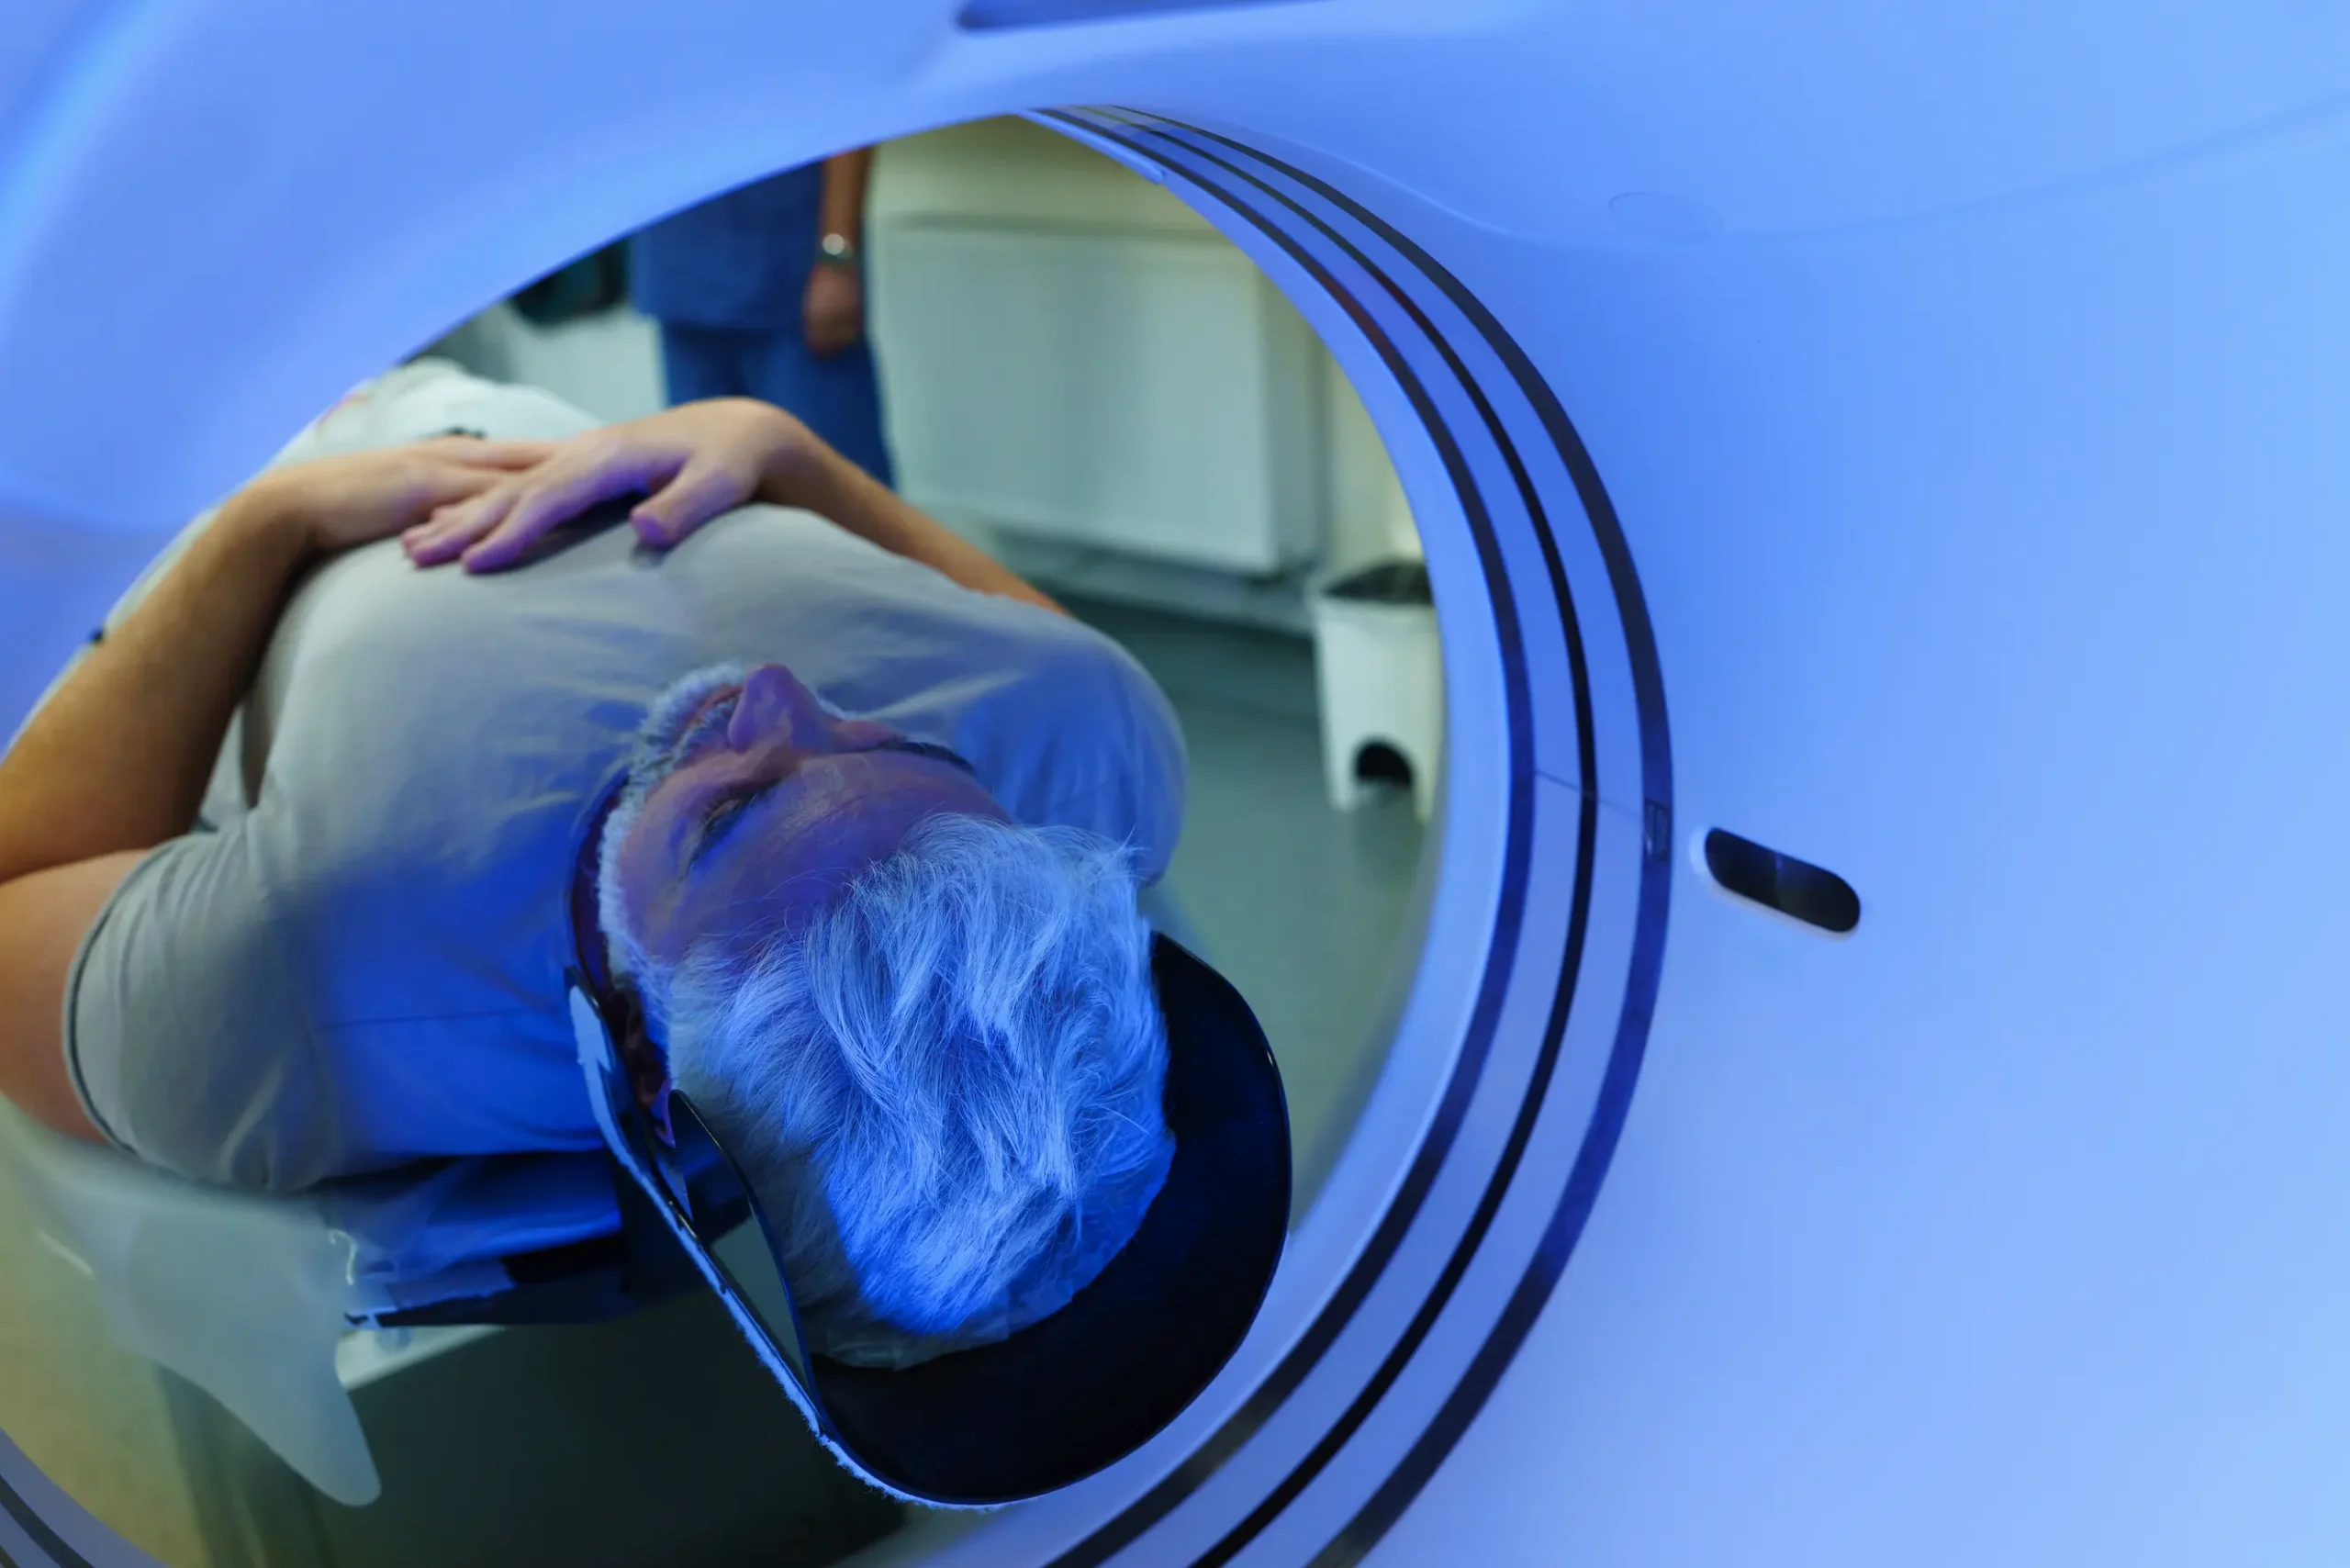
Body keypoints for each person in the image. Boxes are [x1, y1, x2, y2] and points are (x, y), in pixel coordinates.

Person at [0, 361, 1186, 1365]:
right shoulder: (1084, 756)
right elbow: (1059, 663)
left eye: (729, 812)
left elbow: (17, 880)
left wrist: (266, 527)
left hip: (200, 476)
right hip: (500, 405)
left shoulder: (293, 990)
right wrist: (784, 452)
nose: (776, 691)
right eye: (894, 742)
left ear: (645, 1061)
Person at [628, 151, 896, 487]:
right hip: (681, 275)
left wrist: (836, 255)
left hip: (790, 280)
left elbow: (846, 124)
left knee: (837, 487)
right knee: (702, 489)